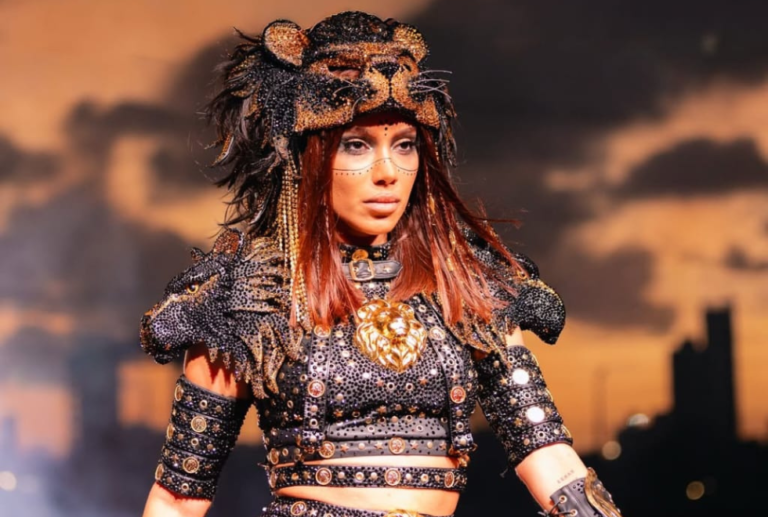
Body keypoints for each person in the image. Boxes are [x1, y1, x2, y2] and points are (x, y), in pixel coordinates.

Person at [139, 11, 621, 517]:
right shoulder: (250, 295)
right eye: (356, 145)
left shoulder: (466, 282)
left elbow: (547, 453)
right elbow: (178, 498)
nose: (388, 172)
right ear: (306, 155)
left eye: (405, 145)